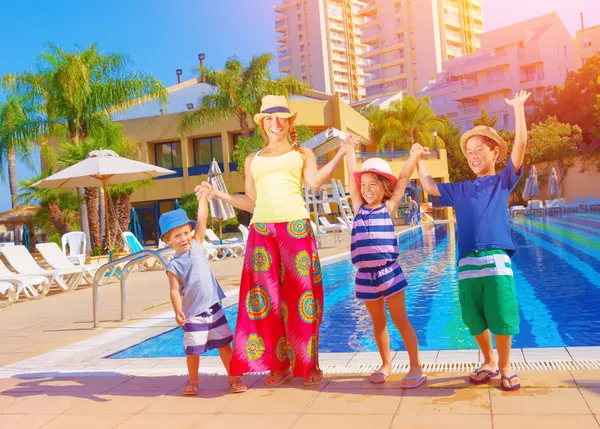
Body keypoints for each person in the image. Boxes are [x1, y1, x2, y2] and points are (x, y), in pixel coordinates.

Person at [198, 95, 358, 387]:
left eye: (281, 118)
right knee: (264, 301)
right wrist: (219, 195)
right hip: (261, 230)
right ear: (263, 123)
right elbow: (250, 201)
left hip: (295, 226)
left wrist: (340, 154)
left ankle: (308, 366)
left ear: (289, 122)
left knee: (302, 297)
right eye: (269, 119)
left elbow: (315, 181)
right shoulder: (253, 160)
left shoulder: (302, 154)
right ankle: (278, 365)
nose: (276, 123)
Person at [416, 90, 531, 391]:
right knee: (474, 318)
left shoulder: (502, 181)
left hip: (496, 261)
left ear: (494, 153)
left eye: (479, 149)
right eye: (468, 152)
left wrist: (518, 108)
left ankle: (505, 365)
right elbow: (429, 186)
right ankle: (489, 361)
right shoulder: (461, 189)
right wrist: (418, 161)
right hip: (467, 262)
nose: (473, 155)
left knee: (502, 315)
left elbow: (520, 144)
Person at [344, 140, 427, 388]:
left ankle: (416, 367)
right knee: (378, 322)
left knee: (400, 318)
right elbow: (350, 175)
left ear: (383, 187)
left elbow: (402, 178)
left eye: (373, 185)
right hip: (364, 275)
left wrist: (413, 155)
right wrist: (349, 148)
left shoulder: (387, 206)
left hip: (388, 272)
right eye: (364, 185)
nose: (367, 189)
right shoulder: (358, 207)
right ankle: (386, 364)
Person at [160, 203, 247, 396]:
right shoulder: (173, 265)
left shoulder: (197, 244)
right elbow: (174, 290)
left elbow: (202, 219)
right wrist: (177, 311)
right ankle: (193, 381)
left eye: (185, 233)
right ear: (168, 241)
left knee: (225, 345)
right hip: (193, 314)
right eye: (177, 236)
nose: (183, 239)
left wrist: (203, 199)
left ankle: (233, 378)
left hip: (214, 308)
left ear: (191, 231)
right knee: (193, 350)